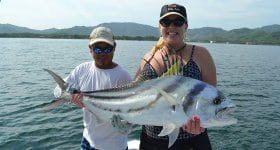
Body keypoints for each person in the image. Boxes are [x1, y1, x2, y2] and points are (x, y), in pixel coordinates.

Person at [134, 3, 216, 150]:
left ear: (186, 26)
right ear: (160, 26)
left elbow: (210, 98)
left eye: (178, 22)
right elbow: (132, 93)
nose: (172, 27)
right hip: (152, 141)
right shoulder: (148, 58)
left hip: (193, 140)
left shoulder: (201, 54)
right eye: (166, 22)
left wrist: (202, 125)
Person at [55, 26, 132, 150]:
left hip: (115, 146)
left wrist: (126, 124)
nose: (102, 53)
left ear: (114, 48)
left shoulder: (123, 76)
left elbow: (132, 111)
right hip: (87, 142)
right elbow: (58, 91)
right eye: (97, 49)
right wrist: (71, 95)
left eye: (107, 49)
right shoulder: (82, 70)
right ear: (90, 49)